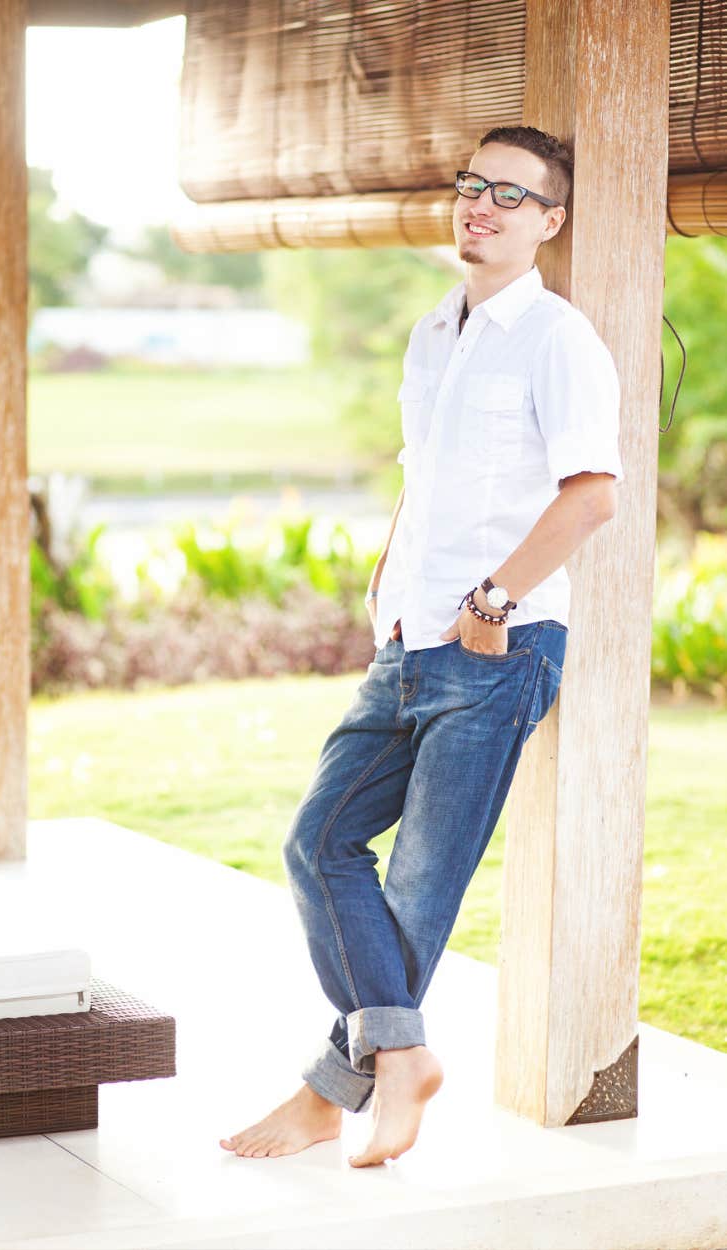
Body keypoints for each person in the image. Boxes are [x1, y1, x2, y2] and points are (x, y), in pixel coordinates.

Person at [220, 125, 624, 1167]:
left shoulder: (558, 339)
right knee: (317, 842)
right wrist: (387, 580)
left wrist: (490, 597)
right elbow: (424, 475)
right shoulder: (431, 333)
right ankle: (393, 1062)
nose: (478, 204)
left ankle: (333, 1092)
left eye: (507, 192)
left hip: (496, 648)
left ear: (549, 219)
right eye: (469, 185)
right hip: (403, 640)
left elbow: (593, 493)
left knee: (417, 891)